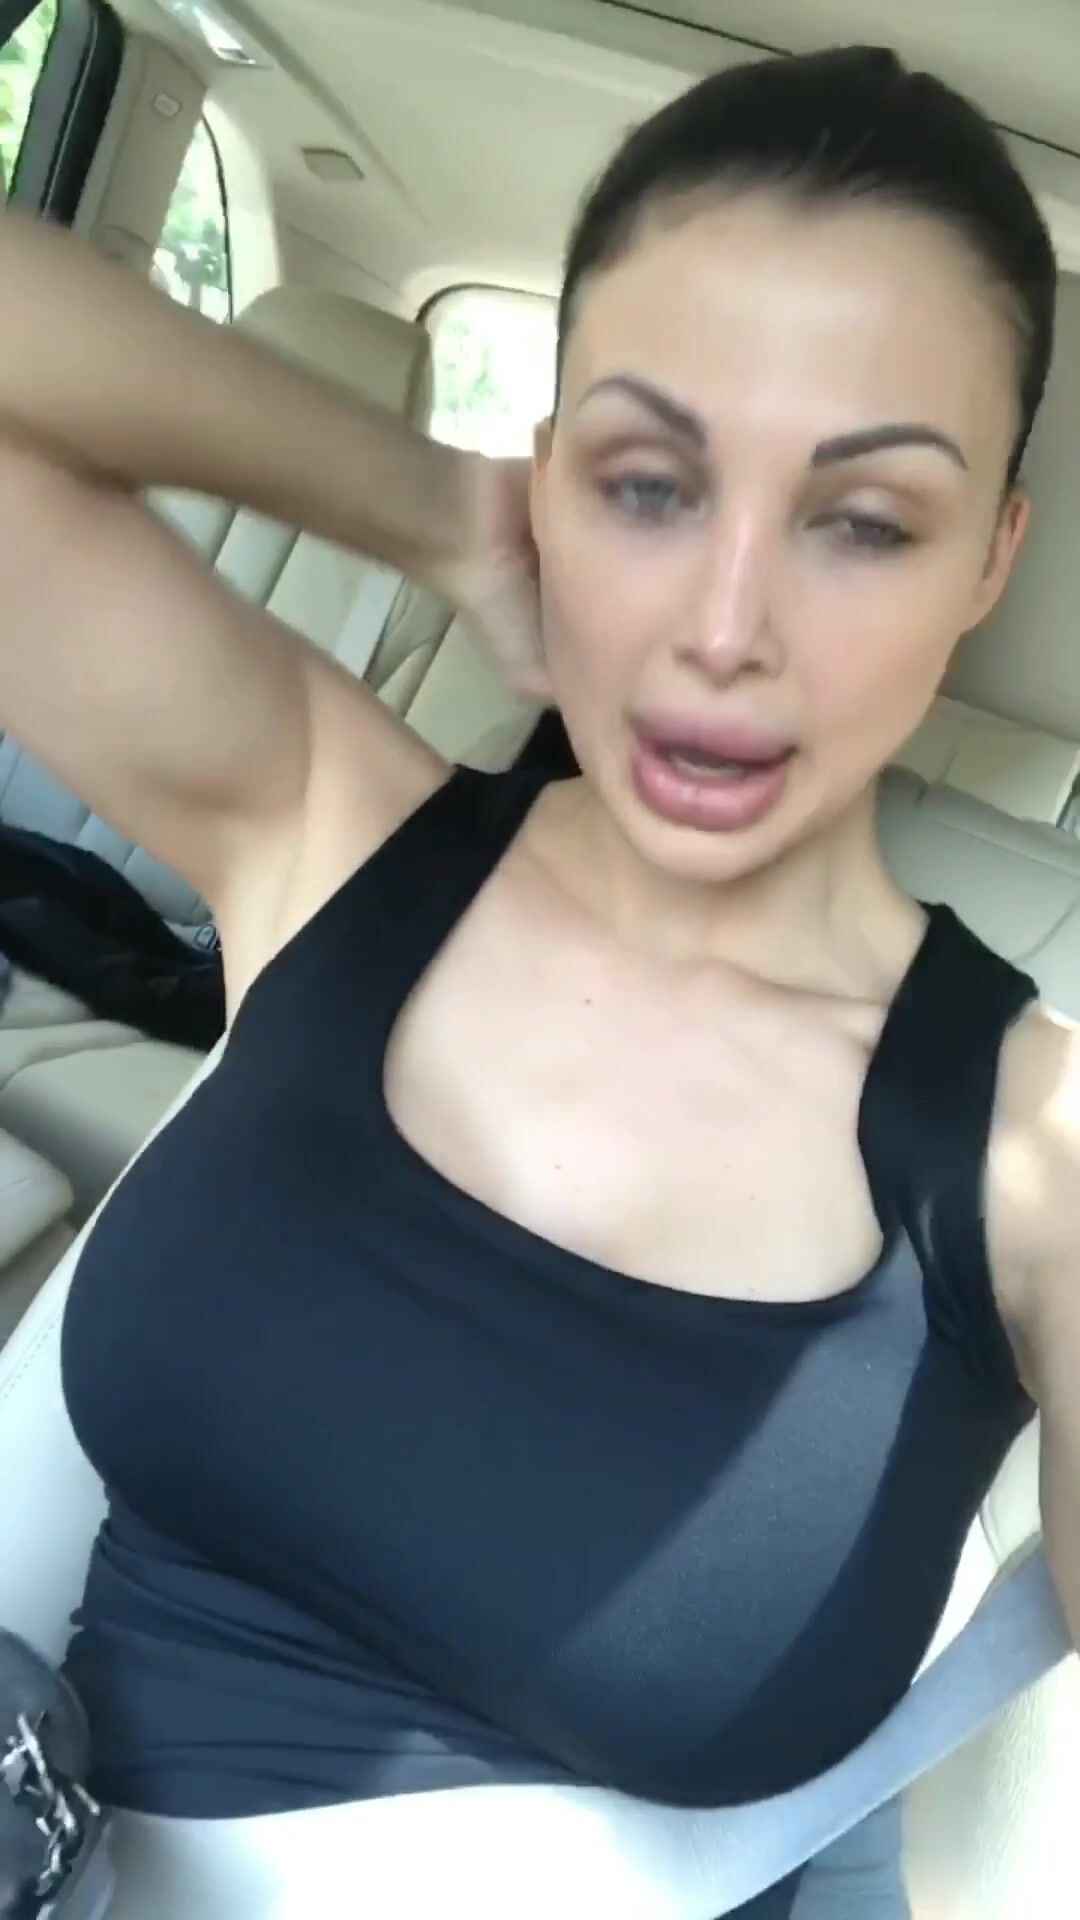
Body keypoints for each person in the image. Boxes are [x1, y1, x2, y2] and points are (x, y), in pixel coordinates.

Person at [1, 41, 1078, 1920]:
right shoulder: (326, 825)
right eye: (646, 484)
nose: (723, 629)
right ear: (548, 479)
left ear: (994, 557)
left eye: (864, 522)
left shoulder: (1038, 1160)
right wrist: (430, 506)